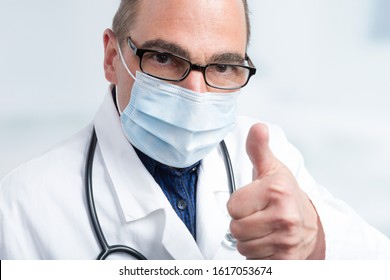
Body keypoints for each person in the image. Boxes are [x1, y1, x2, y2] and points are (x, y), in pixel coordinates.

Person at [1, 0, 389, 260]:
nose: (196, 93)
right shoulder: (23, 208)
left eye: (222, 67)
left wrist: (316, 243)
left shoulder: (266, 157)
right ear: (110, 57)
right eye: (165, 58)